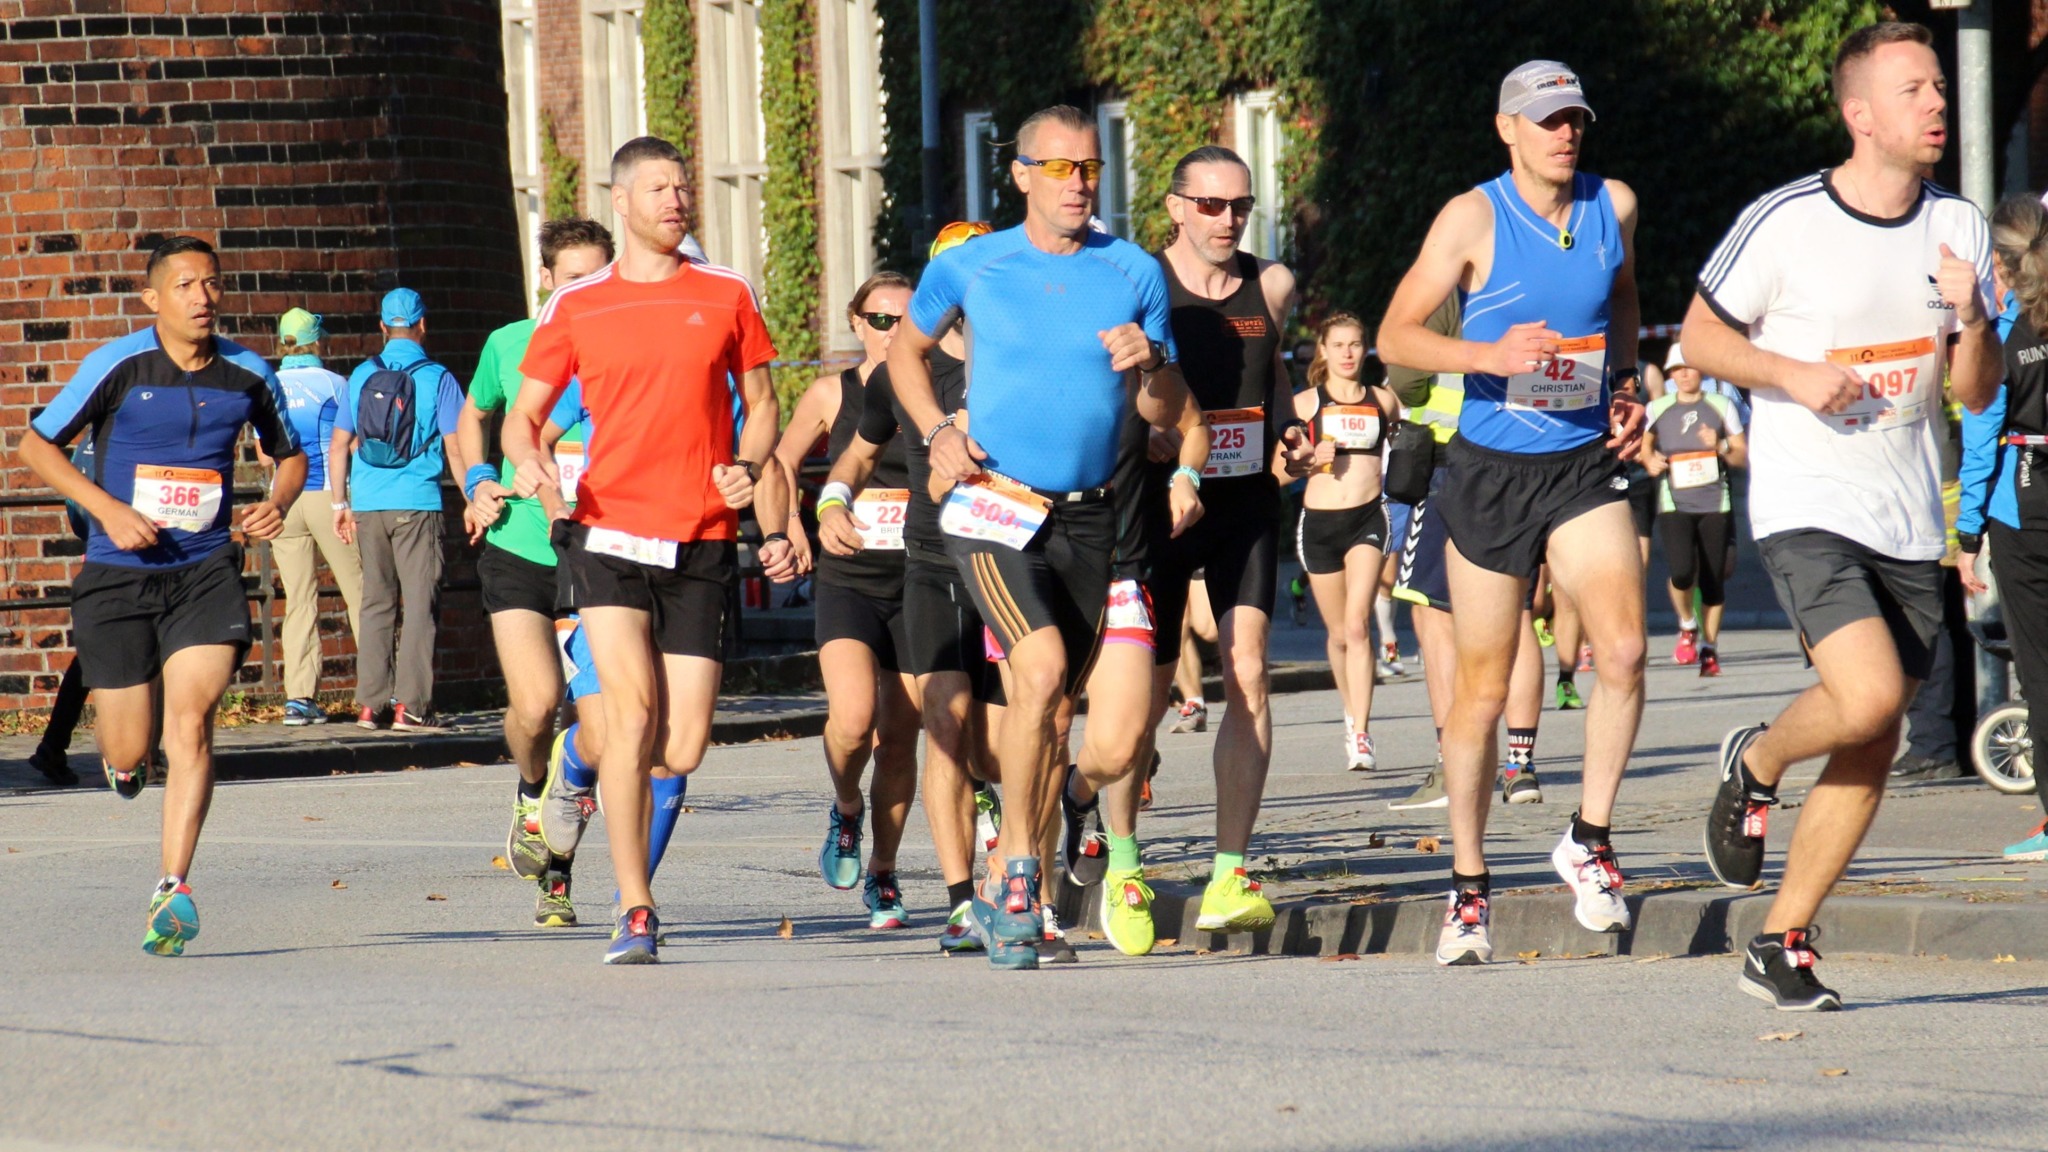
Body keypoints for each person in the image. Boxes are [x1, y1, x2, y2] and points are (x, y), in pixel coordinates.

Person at [1685, 21, 2000, 1010]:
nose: (1937, 104)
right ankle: (1757, 759)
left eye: (1939, 87)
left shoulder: (1958, 226)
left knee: (1874, 737)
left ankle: (1779, 943)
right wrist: (1788, 372)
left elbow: (1975, 391)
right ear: (1859, 114)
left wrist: (1974, 318)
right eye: (1915, 90)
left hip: (1905, 511)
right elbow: (1699, 338)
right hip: (1806, 501)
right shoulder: (1785, 221)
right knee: (1866, 697)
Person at [888, 105, 1204, 970]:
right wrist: (937, 433)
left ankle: (1032, 837)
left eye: (1091, 168)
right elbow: (905, 354)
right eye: (1060, 168)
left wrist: (1150, 363)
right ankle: (1023, 876)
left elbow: (1164, 412)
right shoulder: (973, 264)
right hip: (995, 505)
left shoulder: (1132, 270)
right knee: (1041, 671)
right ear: (1021, 174)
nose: (1079, 183)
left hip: (1095, 515)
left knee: (1084, 727)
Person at [1378, 59, 1647, 966]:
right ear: (1508, 129)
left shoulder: (1613, 204)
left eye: (1575, 118)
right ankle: (1467, 887)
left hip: (1580, 463)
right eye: (1547, 120)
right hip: (1489, 471)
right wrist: (1486, 353)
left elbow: (1621, 296)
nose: (1565, 133)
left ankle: (1589, 840)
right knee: (1484, 691)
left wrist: (1625, 382)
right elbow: (1395, 334)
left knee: (1623, 651)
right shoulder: (1473, 217)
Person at [505, 134, 793, 965]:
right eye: (659, 188)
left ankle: (576, 761)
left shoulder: (727, 291)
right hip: (608, 533)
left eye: (683, 186)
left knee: (683, 745)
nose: (676, 199)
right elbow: (524, 419)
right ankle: (636, 907)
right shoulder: (577, 304)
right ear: (622, 200)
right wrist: (532, 468)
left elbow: (764, 404)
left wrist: (747, 467)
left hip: (700, 537)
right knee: (630, 716)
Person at [16, 235, 304, 955]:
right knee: (130, 744)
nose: (202, 297)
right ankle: (124, 760)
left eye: (212, 283)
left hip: (204, 570)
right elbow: (36, 446)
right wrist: (107, 510)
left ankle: (173, 886)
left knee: (192, 724)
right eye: (184, 286)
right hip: (117, 573)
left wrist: (276, 501)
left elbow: (291, 454)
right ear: (153, 299)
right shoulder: (116, 365)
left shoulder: (248, 372)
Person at [1138, 144, 1316, 938]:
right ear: (1176, 207)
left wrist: (1290, 431)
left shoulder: (1269, 283)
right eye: (1211, 204)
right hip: (1158, 506)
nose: (1228, 219)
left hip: (1243, 501)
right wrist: (1142, 438)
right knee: (1142, 698)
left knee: (1248, 672)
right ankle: (1104, 831)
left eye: (1240, 205)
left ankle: (1228, 872)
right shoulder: (1139, 281)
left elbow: (1270, 374)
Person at [457, 218, 615, 886]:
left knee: (596, 724)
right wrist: (476, 481)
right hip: (520, 544)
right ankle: (529, 792)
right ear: (546, 278)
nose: (587, 290)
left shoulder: (628, 341)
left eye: (600, 277)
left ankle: (560, 863)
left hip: (604, 549)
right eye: (574, 278)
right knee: (536, 704)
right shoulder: (509, 342)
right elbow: (472, 418)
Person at [773, 271, 923, 930]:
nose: (893, 331)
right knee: (855, 720)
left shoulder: (936, 390)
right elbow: (780, 462)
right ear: (857, 323)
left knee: (901, 740)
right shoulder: (833, 393)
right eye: (881, 319)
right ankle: (846, 807)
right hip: (851, 577)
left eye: (907, 319)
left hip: (919, 580)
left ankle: (884, 874)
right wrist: (792, 526)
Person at [1387, 297, 1550, 813]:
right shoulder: (1531, 290)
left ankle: (1451, 765)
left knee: (1433, 613)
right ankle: (1519, 767)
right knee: (1516, 611)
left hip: (1449, 459)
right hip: (1526, 459)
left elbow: (1405, 377)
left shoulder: (1447, 295)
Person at [330, 287, 466, 731]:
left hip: (369, 504)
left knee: (376, 603)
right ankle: (412, 706)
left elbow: (339, 445)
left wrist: (340, 502)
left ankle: (370, 706)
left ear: (382, 327)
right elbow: (457, 447)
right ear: (423, 325)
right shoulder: (438, 378)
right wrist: (473, 499)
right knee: (420, 604)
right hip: (417, 503)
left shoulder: (360, 375)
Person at [1968, 196, 2048, 858]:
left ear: (2000, 263)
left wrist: (1966, 534)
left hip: (2023, 506)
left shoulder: (2003, 334)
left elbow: (1982, 435)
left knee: (2040, 668)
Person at [1289, 313, 1400, 769]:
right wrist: (1310, 459)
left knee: (1357, 626)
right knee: (1338, 635)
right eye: (1338, 345)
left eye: (1355, 344)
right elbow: (1279, 471)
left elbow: (1400, 454)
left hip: (1368, 518)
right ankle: (1350, 712)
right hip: (1319, 524)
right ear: (1323, 350)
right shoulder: (1304, 404)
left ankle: (1362, 733)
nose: (1348, 353)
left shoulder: (1383, 401)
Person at [265, 308, 362, 726]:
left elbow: (264, 452)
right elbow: (352, 445)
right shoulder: (335, 384)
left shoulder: (268, 385)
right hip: (329, 496)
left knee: (298, 600)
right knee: (361, 592)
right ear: (316, 341)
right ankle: (380, 692)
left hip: (284, 500)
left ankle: (299, 698)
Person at [1643, 341, 1747, 677]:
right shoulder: (1658, 408)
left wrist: (1720, 446)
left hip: (1715, 500)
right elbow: (1644, 448)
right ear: (1671, 375)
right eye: (1677, 370)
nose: (1684, 375)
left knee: (1713, 579)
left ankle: (1710, 648)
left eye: (1689, 368)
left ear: (1700, 370)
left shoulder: (1721, 404)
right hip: (1675, 501)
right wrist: (1650, 460)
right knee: (1683, 572)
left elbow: (1741, 455)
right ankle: (1688, 623)